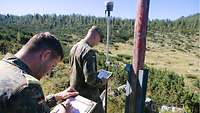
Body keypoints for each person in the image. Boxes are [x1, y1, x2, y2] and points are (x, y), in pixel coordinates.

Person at [0, 32, 78, 113]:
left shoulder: (3, 65)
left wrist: (54, 98)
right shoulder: (27, 87)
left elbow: (23, 105)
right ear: (46, 55)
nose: (49, 72)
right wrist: (63, 110)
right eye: (53, 66)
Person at [69, 26, 107, 113]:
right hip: (88, 96)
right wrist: (102, 82)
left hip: (75, 92)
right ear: (95, 36)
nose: (97, 43)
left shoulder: (74, 47)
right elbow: (90, 79)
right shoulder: (89, 51)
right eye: (99, 40)